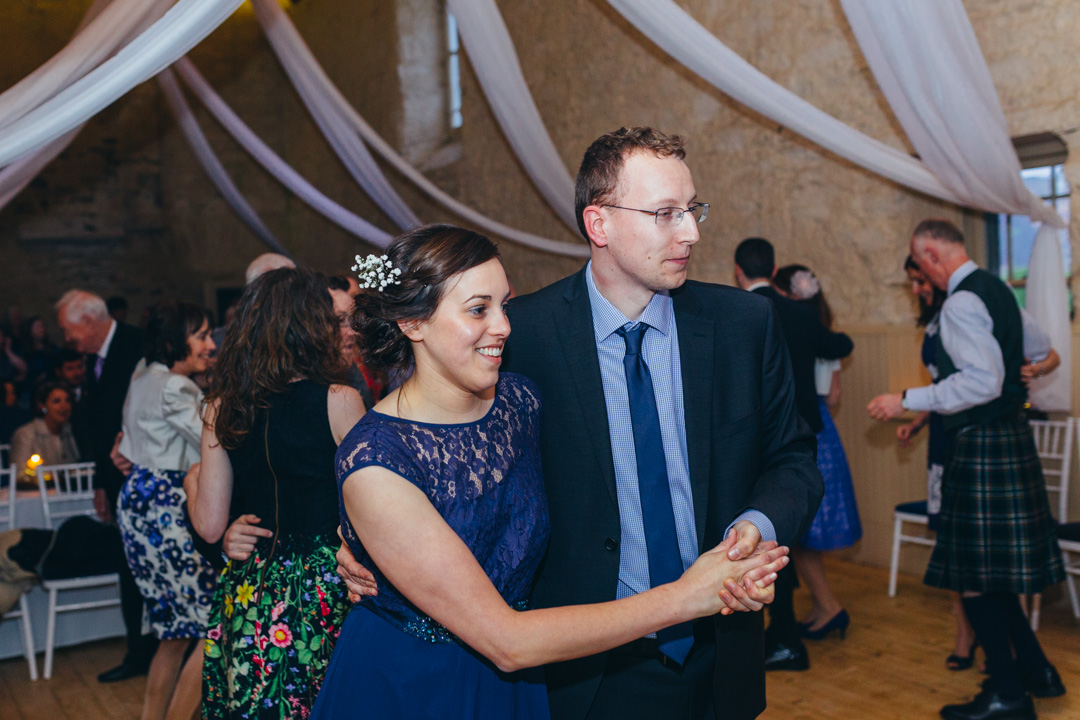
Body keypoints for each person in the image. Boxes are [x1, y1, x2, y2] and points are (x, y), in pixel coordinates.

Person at [337, 127, 822, 719]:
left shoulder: (744, 325)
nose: (691, 232)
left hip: (722, 653)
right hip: (580, 673)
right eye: (666, 213)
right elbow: (411, 453)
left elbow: (793, 458)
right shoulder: (523, 341)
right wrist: (353, 539)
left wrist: (756, 524)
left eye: (692, 210)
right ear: (600, 224)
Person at [868, 219, 1065, 720]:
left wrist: (905, 398)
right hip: (1010, 440)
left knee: (976, 578)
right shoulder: (996, 288)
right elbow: (1039, 350)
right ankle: (1037, 673)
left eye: (922, 264)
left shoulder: (959, 302)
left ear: (933, 256)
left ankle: (1007, 695)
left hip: (980, 445)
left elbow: (982, 383)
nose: (924, 276)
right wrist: (1031, 371)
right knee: (994, 577)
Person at [187, 267, 365, 720]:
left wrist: (196, 487)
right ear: (312, 327)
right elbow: (373, 506)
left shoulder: (219, 407)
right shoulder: (340, 399)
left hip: (253, 584)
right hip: (325, 582)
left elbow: (208, 524)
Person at [733, 238, 853, 672]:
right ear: (775, 266)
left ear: (737, 270)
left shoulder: (735, 312)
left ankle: (783, 637)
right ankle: (782, 634)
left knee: (767, 539)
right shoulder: (800, 313)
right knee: (779, 538)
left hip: (755, 443)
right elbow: (839, 344)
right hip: (802, 438)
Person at [114, 300, 217, 720]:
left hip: (139, 495)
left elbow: (125, 442)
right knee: (214, 624)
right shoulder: (175, 387)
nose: (211, 344)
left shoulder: (143, 372)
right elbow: (215, 442)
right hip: (168, 505)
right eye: (203, 335)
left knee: (174, 632)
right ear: (175, 341)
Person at [55, 289, 157, 682]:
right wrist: (100, 483)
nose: (67, 339)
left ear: (90, 322)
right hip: (115, 482)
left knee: (152, 567)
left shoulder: (137, 345)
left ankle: (167, 648)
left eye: (69, 331)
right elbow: (98, 425)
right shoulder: (91, 358)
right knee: (126, 567)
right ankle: (137, 651)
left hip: (145, 479)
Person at [773, 264, 861, 641]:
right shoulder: (822, 333)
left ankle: (828, 606)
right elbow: (835, 393)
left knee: (803, 534)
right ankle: (824, 606)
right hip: (824, 427)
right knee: (804, 537)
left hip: (809, 433)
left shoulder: (794, 331)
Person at [9, 382, 79, 473]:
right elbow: (19, 473)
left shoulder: (70, 430)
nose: (64, 406)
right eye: (56, 401)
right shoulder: (25, 434)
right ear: (42, 405)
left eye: (67, 401)